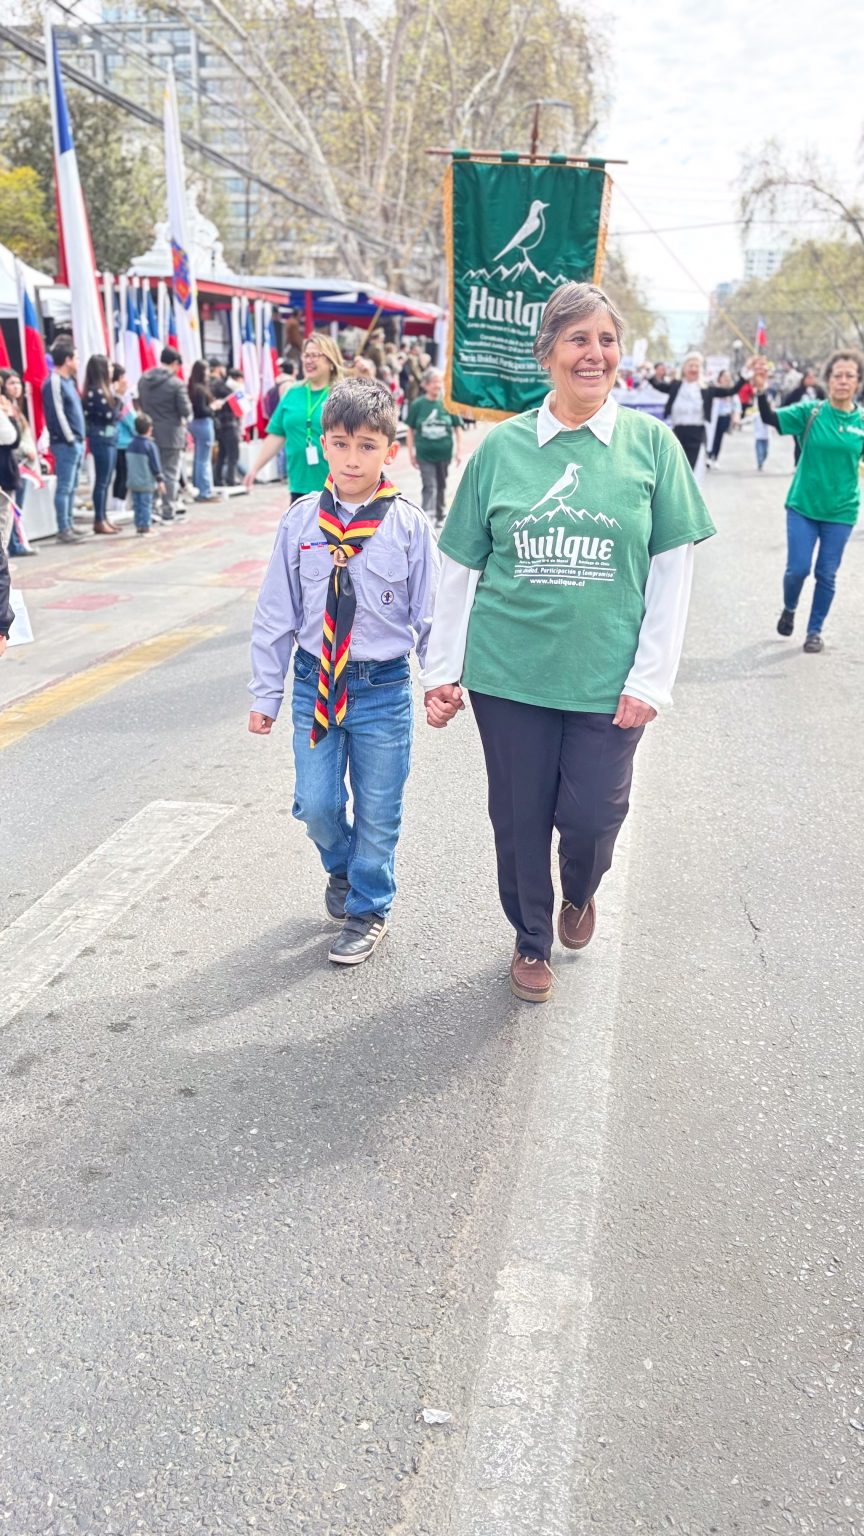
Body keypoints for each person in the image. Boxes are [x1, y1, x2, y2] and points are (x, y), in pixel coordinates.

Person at [422, 281, 715, 1004]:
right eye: (578, 339)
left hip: (607, 678)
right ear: (547, 352)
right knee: (519, 818)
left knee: (591, 819)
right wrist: (442, 670)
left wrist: (650, 679)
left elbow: (672, 570)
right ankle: (530, 939)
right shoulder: (502, 448)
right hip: (508, 674)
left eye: (606, 340)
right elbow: (459, 566)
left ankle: (580, 891)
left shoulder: (651, 445)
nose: (594, 353)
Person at [248, 377, 440, 966]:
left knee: (379, 809)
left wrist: (439, 682)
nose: (352, 459)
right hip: (316, 682)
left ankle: (369, 906)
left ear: (390, 450)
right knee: (317, 804)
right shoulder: (301, 522)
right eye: (340, 444)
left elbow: (430, 613)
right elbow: (276, 612)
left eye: (366, 446)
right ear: (324, 445)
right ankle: (343, 866)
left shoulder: (408, 525)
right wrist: (265, 694)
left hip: (382, 688)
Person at [751, 350, 864, 654]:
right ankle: (789, 607)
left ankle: (814, 631)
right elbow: (770, 418)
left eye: (849, 376)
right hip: (803, 506)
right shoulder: (810, 412)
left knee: (826, 573)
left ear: (858, 382)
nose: (843, 381)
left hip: (841, 511)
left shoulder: (862, 422)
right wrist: (761, 390)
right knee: (798, 569)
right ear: (828, 380)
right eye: (837, 375)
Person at [244, 332, 343, 499]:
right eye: (306, 355)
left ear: (330, 361)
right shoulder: (292, 393)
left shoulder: (342, 394)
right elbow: (277, 434)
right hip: (299, 486)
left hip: (336, 486)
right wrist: (255, 469)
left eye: (315, 355)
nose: (309, 360)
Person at [649, 352, 746, 484]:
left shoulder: (706, 389)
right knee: (675, 471)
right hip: (677, 434)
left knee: (692, 472)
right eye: (691, 365)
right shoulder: (676, 385)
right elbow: (658, 385)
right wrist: (649, 372)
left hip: (697, 436)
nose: (693, 369)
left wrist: (744, 376)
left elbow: (731, 391)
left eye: (697, 366)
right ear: (684, 368)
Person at [137, 345, 191, 521]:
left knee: (152, 472)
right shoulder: (176, 384)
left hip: (148, 433)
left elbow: (141, 404)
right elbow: (186, 410)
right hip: (171, 435)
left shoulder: (144, 380)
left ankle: (151, 509)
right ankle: (168, 510)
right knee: (170, 474)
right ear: (175, 363)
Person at [42, 336, 86, 543]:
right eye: (76, 358)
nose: (78, 362)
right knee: (64, 486)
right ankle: (63, 527)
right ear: (67, 360)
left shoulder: (69, 382)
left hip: (76, 441)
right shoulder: (54, 382)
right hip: (65, 443)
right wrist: (70, 438)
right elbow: (57, 413)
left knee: (72, 486)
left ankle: (69, 522)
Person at [406, 368, 463, 527]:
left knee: (442, 484)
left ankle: (440, 513)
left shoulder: (448, 403)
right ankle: (426, 516)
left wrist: (459, 451)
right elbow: (410, 430)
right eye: (433, 382)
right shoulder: (418, 405)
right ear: (425, 385)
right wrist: (410, 453)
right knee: (429, 485)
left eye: (439, 381)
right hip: (424, 454)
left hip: (444, 454)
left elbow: (458, 428)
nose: (437, 385)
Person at [82, 353, 122, 534]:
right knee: (102, 481)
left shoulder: (104, 389)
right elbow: (110, 415)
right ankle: (99, 518)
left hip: (109, 438)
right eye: (109, 366)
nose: (112, 369)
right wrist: (119, 397)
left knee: (106, 481)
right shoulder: (95, 392)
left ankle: (103, 517)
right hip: (101, 439)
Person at [1, 371, 38, 556]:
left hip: (18, 463)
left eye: (18, 383)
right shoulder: (5, 409)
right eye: (11, 383)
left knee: (14, 509)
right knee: (7, 512)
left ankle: (15, 543)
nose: (16, 387)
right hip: (13, 461)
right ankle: (13, 545)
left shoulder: (13, 407)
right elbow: (12, 438)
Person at [125, 413, 166, 535]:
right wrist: (160, 480)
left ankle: (138, 525)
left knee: (137, 505)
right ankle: (146, 526)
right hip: (146, 481)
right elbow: (155, 465)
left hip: (133, 481)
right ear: (150, 428)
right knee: (146, 505)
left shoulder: (130, 445)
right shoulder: (150, 446)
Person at [187, 359, 219, 502]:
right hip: (203, 423)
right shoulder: (200, 389)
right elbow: (202, 410)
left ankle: (199, 488)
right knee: (204, 459)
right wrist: (213, 408)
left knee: (199, 458)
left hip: (196, 423)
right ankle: (204, 490)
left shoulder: (193, 387)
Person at [782, 366, 826, 464]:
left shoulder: (819, 391)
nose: (811, 380)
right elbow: (786, 404)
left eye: (813, 377)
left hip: (815, 422)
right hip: (800, 422)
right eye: (808, 378)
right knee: (799, 444)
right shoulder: (797, 391)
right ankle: (798, 464)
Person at [213, 367, 244, 488]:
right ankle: (231, 478)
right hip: (230, 425)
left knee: (222, 454)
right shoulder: (232, 391)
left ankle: (217, 478)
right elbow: (239, 410)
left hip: (220, 426)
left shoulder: (219, 389)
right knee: (233, 454)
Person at [111, 363, 134, 513]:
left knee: (120, 475)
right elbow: (131, 422)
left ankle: (117, 504)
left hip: (117, 443)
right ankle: (120, 506)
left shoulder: (117, 399)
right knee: (123, 475)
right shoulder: (118, 401)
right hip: (123, 443)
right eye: (123, 377)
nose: (126, 380)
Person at [706, 370, 739, 467]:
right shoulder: (714, 388)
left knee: (719, 437)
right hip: (713, 416)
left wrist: (736, 416)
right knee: (711, 436)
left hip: (724, 416)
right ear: (720, 377)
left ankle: (715, 458)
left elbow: (736, 405)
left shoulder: (731, 390)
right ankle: (708, 456)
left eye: (728, 376)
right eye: (724, 376)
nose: (726, 378)